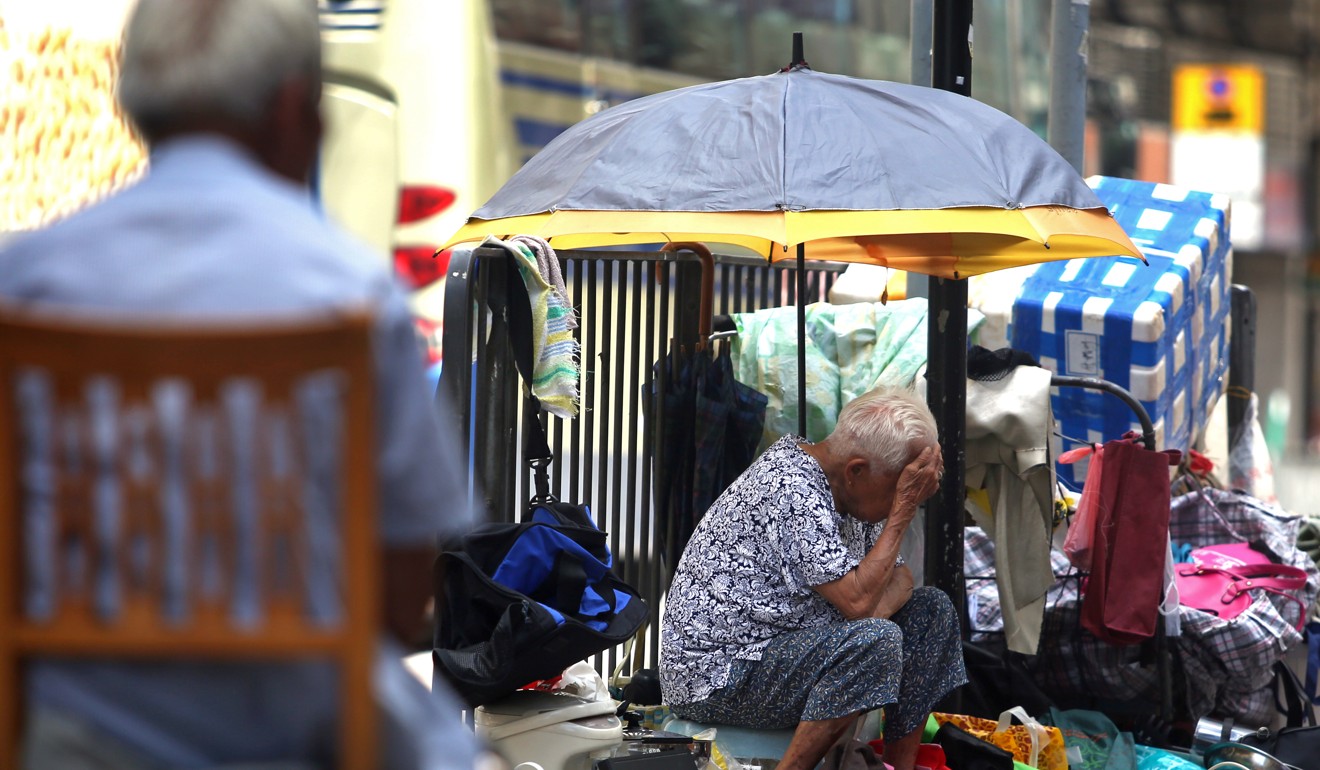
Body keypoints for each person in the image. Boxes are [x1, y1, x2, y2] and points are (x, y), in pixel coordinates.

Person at [0, 0, 480, 767]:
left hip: (70, 739)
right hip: (294, 737)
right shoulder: (355, 293)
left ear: (134, 99)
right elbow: (398, 597)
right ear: (295, 109)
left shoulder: (22, 280)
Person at [660, 387, 967, 770]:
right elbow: (858, 604)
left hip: (786, 655)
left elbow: (900, 577)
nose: (903, 503)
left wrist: (865, 616)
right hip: (718, 674)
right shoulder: (792, 486)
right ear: (856, 470)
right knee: (875, 641)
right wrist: (902, 510)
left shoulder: (849, 489)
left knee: (932, 611)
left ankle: (897, 767)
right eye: (900, 491)